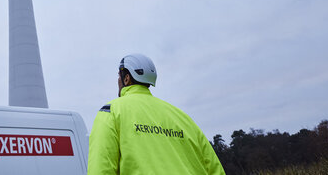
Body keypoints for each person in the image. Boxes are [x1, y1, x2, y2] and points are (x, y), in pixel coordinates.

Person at [87, 54, 225, 175]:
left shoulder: (110, 111)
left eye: (119, 76)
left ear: (127, 78)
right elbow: (214, 169)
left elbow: (101, 169)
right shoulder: (183, 118)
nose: (118, 80)